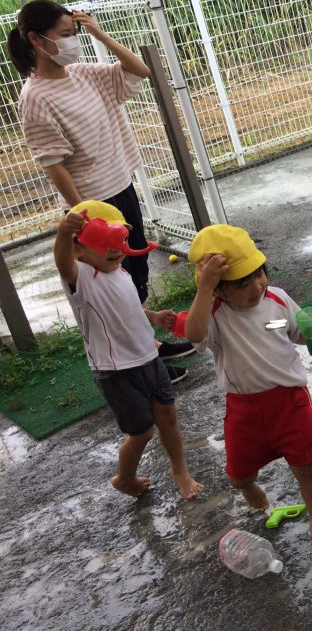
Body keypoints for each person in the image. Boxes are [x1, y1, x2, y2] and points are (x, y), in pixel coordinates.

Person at [7, 0, 193, 365]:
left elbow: (139, 70)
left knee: (133, 271)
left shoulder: (84, 74)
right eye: (65, 35)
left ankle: (148, 347)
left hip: (120, 187)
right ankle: (138, 358)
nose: (72, 41)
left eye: (74, 32)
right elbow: (54, 164)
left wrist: (98, 32)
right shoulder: (35, 98)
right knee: (110, 284)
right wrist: (83, 213)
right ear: (37, 40)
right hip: (92, 204)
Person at [184, 224, 312, 566]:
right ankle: (249, 487)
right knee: (239, 474)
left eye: (260, 274)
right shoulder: (213, 314)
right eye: (243, 284)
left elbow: (297, 333)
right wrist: (205, 291)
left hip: (289, 401)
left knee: (307, 467)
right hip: (244, 409)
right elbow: (192, 334)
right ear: (219, 290)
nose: (257, 286)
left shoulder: (277, 299)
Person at [53, 200, 203, 501]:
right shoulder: (81, 278)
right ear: (79, 250)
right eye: (104, 243)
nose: (116, 250)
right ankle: (125, 478)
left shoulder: (120, 273)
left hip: (149, 358)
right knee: (142, 432)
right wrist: (63, 232)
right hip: (115, 370)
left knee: (168, 417)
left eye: (119, 240)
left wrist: (153, 317)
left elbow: (130, 306)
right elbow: (63, 262)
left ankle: (180, 471)